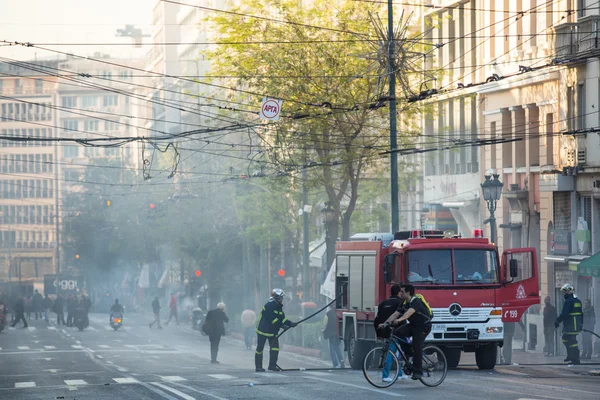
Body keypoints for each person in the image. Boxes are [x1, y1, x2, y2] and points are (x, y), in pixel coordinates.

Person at [380, 284, 433, 380]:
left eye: (402, 292)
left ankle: (418, 371)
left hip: (423, 327)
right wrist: (385, 323)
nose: (400, 293)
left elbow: (409, 313)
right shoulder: (404, 302)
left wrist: (400, 320)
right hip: (413, 325)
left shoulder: (416, 301)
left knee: (417, 346)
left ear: (408, 293)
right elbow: (395, 314)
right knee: (397, 332)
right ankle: (409, 351)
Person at [255, 288, 297, 372]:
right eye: (281, 297)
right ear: (277, 297)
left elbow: (282, 319)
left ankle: (272, 365)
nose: (282, 299)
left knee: (275, 348)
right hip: (263, 331)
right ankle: (258, 367)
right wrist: (282, 326)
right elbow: (272, 319)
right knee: (260, 349)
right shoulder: (269, 306)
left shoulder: (279, 307)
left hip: (272, 332)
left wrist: (290, 323)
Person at [374, 284, 407, 382]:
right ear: (398, 292)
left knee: (396, 352)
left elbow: (377, 320)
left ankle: (400, 373)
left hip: (385, 331)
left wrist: (378, 333)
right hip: (397, 331)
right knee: (392, 352)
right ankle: (385, 375)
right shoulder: (400, 303)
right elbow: (402, 318)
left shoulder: (383, 303)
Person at [555, 283, 583, 365]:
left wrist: (557, 321)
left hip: (570, 325)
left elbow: (564, 314)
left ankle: (574, 358)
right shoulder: (577, 301)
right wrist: (581, 325)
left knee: (571, 341)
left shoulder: (569, 301)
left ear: (569, 291)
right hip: (576, 325)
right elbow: (581, 314)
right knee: (569, 340)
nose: (564, 293)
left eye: (565, 292)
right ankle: (571, 356)